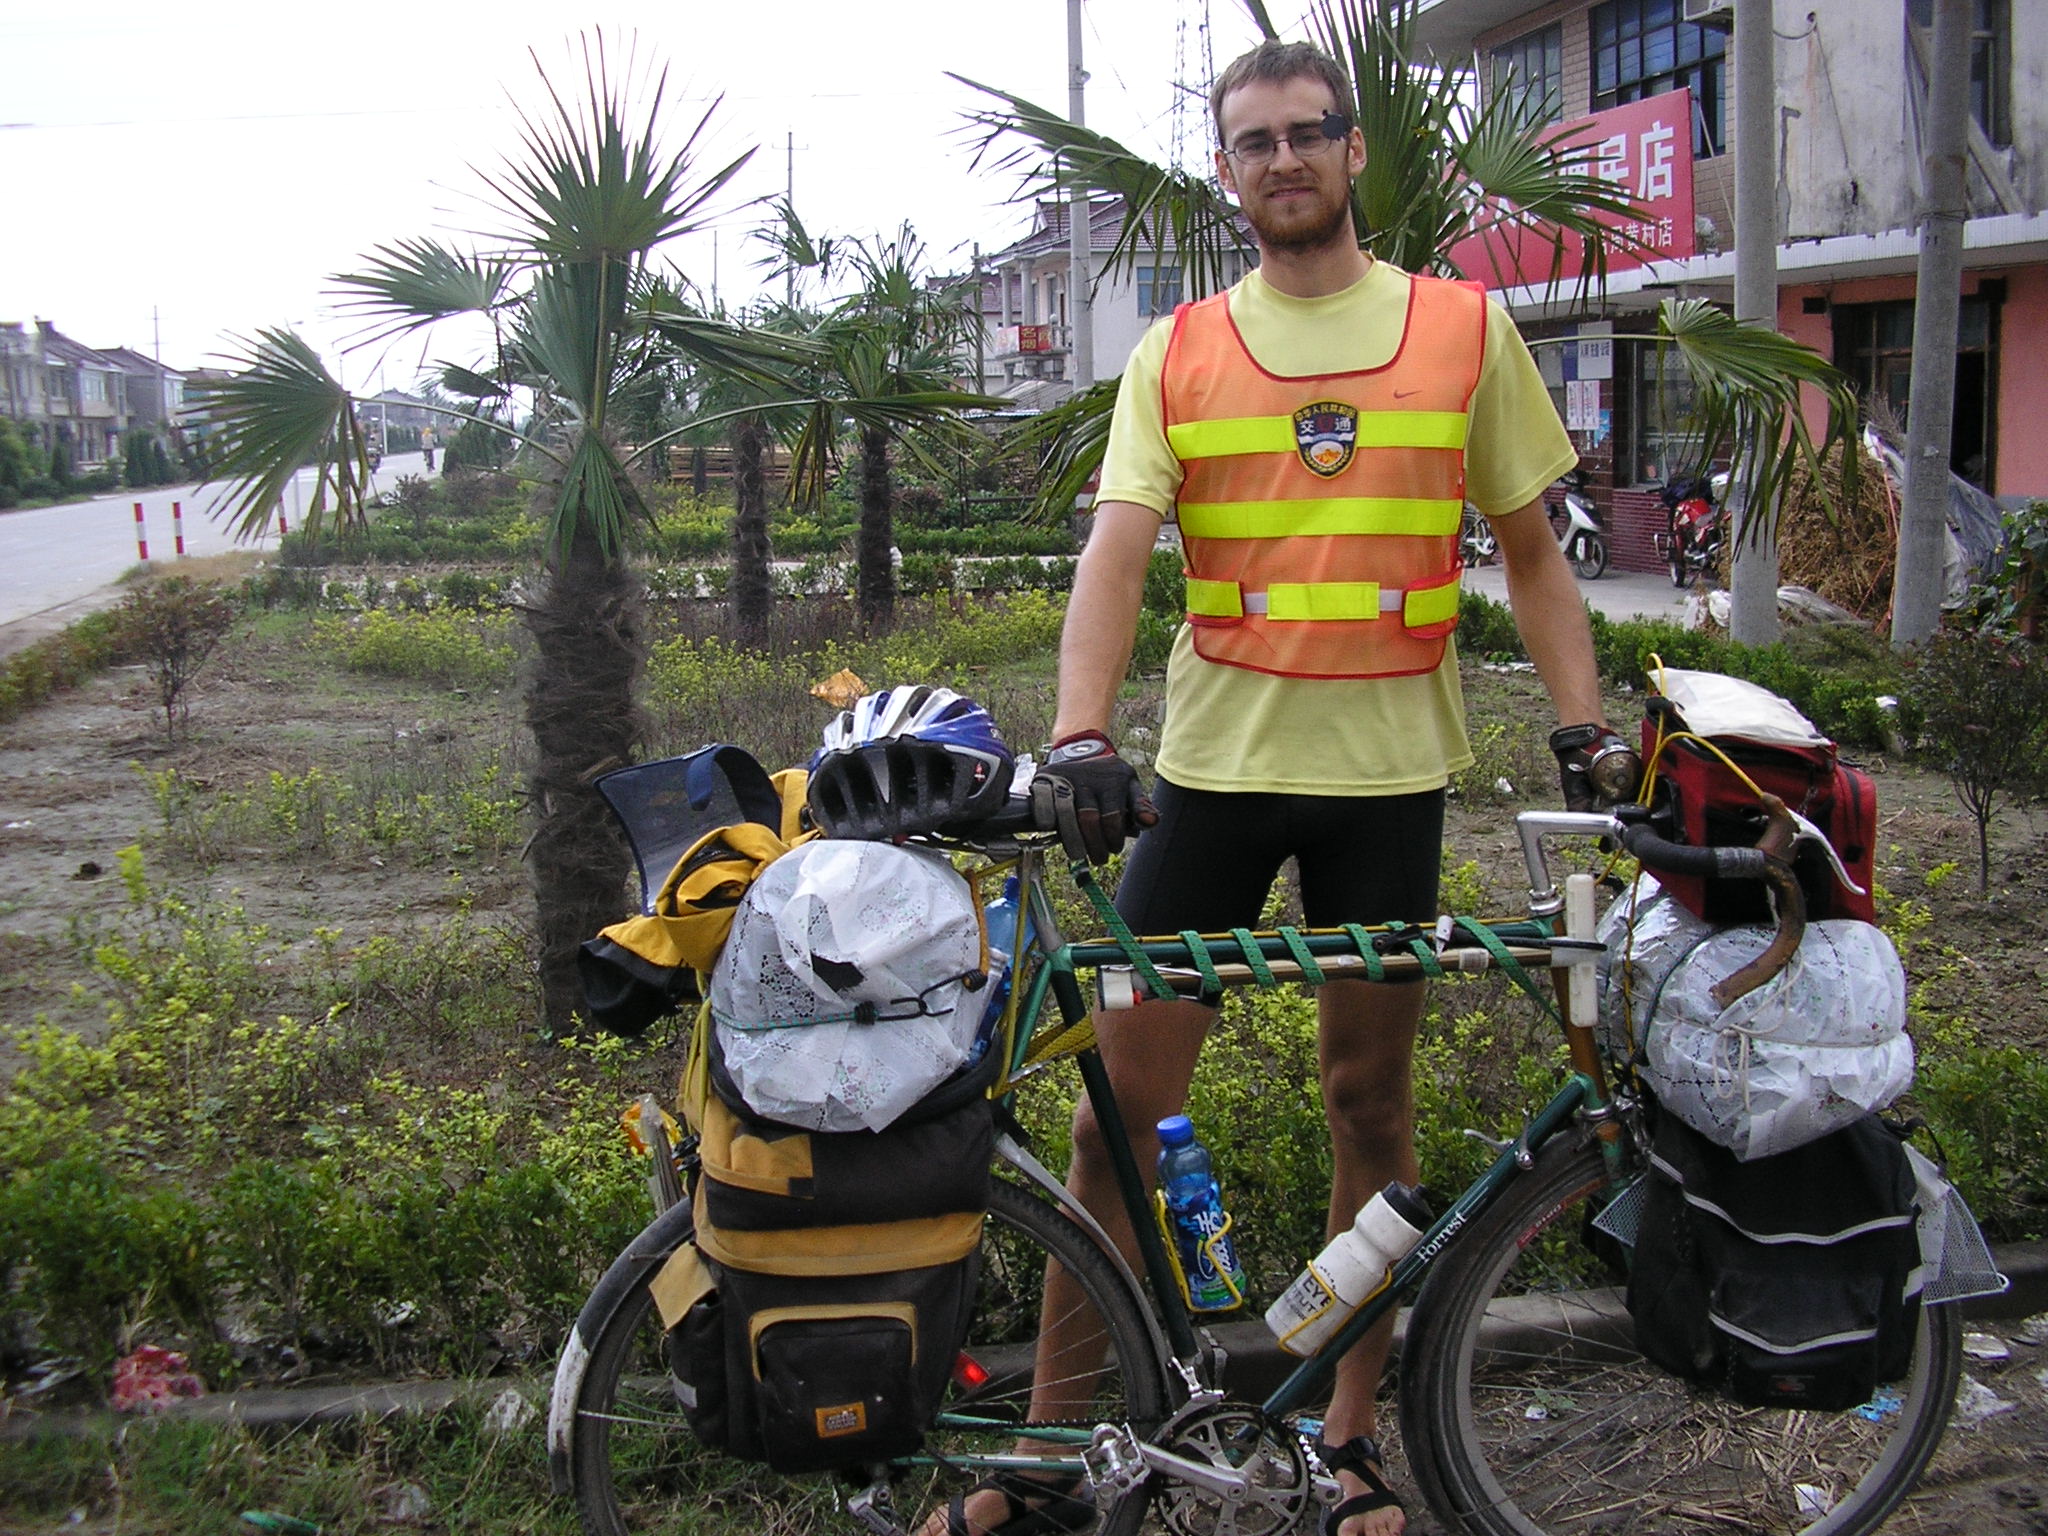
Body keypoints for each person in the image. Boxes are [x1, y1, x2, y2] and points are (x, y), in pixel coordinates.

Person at [927, 38, 1635, 1536]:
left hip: (1388, 785)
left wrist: (1586, 735)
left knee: (1368, 1105)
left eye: (1309, 133)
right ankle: (1049, 1458)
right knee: (1110, 1118)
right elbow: (1117, 550)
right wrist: (1079, 737)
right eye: (1254, 141)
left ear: (1353, 150)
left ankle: (1354, 1437)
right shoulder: (1178, 348)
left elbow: (1533, 551)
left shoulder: (1459, 330)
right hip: (1205, 782)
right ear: (1229, 171)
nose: (1286, 159)